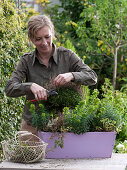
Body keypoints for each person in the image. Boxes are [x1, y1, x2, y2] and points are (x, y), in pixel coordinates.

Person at [5, 15, 97, 139]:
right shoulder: (26, 61)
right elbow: (9, 88)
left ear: (52, 33)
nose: (44, 43)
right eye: (38, 39)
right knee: (30, 157)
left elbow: (92, 77)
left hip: (65, 126)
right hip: (32, 127)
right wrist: (30, 86)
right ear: (31, 38)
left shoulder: (67, 56)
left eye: (47, 37)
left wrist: (72, 75)